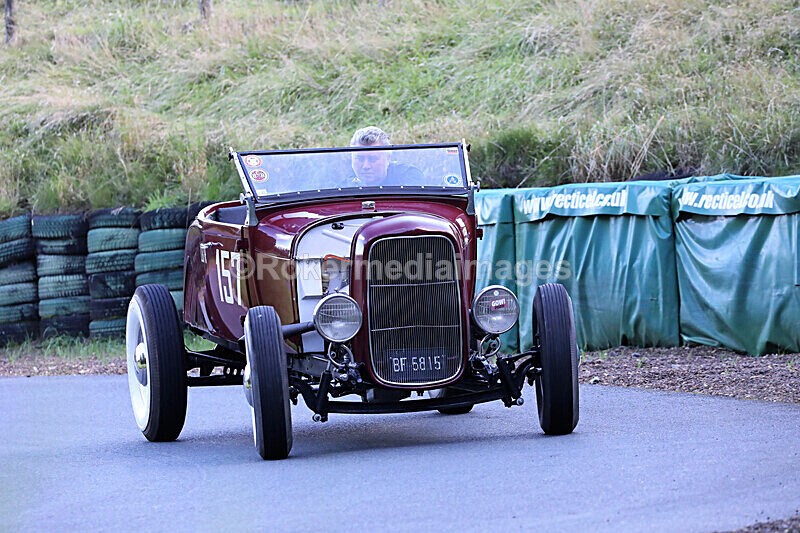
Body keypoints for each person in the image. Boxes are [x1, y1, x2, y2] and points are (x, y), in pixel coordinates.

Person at [348, 126, 425, 186]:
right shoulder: (342, 187)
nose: (366, 166)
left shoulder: (409, 177)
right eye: (360, 159)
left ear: (388, 159)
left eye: (373, 159)